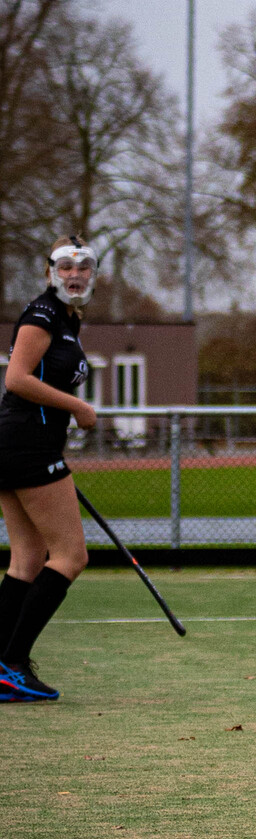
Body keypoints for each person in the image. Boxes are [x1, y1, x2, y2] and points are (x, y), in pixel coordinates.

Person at [0, 241, 100, 702]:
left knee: (27, 560)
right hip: (25, 445)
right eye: (65, 266)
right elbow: (17, 378)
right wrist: (78, 406)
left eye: (83, 267)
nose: (74, 273)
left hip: (20, 445)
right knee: (71, 556)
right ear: (49, 273)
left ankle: (3, 665)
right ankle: (13, 662)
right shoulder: (42, 315)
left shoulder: (66, 320)